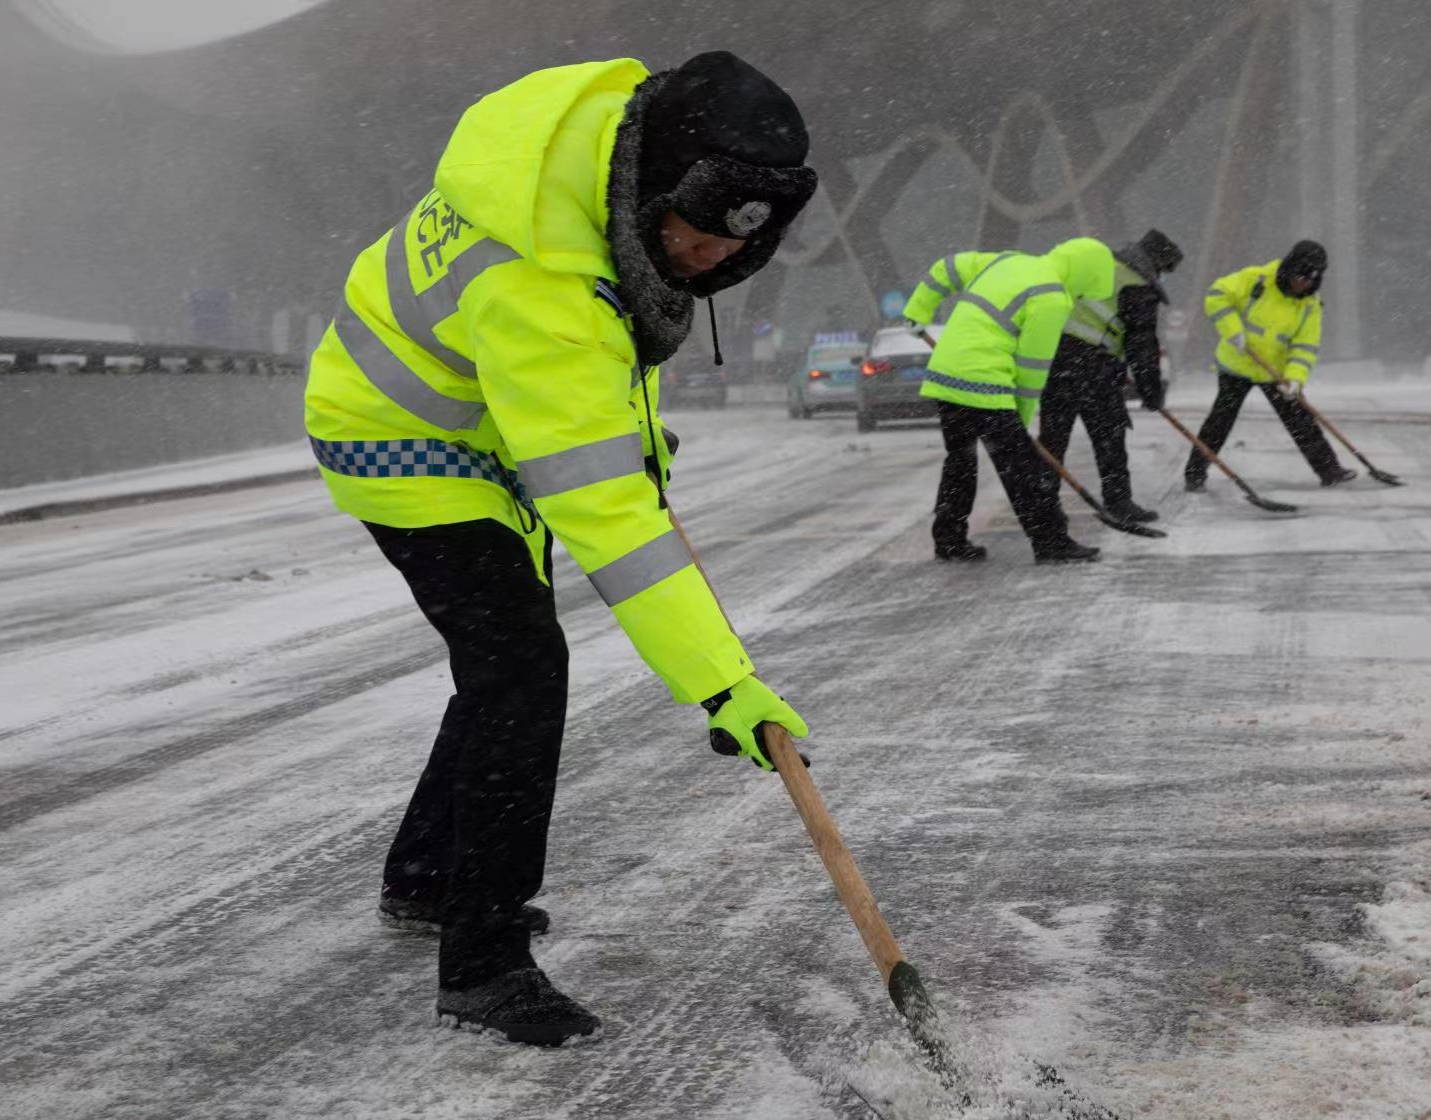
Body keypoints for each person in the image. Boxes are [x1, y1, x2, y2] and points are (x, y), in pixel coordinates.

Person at [302, 53, 818, 1046]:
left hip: (483, 429)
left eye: (734, 241)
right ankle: (484, 964)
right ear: (658, 187)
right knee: (522, 667)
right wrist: (723, 683)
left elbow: (611, 349)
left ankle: (426, 877)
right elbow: (607, 517)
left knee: (502, 662)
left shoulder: (600, 166)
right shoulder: (539, 272)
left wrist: (635, 449)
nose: (712, 255)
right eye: (698, 232)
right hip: (398, 435)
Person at [902, 237, 1117, 564]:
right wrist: (1021, 415)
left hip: (946, 375)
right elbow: (1032, 367)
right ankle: (1051, 543)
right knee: (1022, 469)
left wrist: (917, 310)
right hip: (984, 380)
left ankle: (949, 540)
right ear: (1084, 274)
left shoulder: (1006, 260)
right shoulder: (1051, 297)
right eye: (1084, 291)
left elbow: (945, 268)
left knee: (960, 461)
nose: (1079, 298)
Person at [1038, 230, 1183, 525]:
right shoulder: (1136, 283)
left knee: (1053, 437)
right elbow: (1142, 344)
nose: (1162, 277)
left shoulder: (1104, 266)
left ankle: (1041, 506)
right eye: (1165, 271)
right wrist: (1151, 390)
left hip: (1056, 358)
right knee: (1109, 434)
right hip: (1093, 364)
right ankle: (1118, 502)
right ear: (1156, 263)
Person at [1184, 240, 1355, 490]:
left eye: (1311, 279)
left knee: (1300, 419)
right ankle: (1195, 474)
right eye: (1301, 277)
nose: (1304, 284)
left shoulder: (1310, 305)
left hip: (1275, 371)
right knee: (1220, 420)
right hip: (1237, 365)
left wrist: (1295, 379)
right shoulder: (1257, 279)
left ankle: (1330, 471)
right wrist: (1232, 330)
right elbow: (1216, 295)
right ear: (1289, 268)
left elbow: (1305, 346)